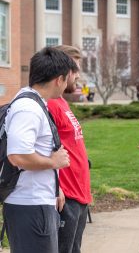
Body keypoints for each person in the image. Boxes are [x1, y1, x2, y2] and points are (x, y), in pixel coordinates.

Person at [4, 47, 77, 253]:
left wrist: (55, 187)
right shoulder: (29, 108)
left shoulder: (34, 103)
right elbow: (17, 155)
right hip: (30, 206)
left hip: (35, 203)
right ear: (59, 79)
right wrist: (54, 162)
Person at [48, 45, 92, 253]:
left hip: (80, 194)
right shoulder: (50, 104)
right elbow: (43, 148)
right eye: (74, 69)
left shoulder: (62, 102)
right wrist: (57, 187)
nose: (77, 75)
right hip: (66, 197)